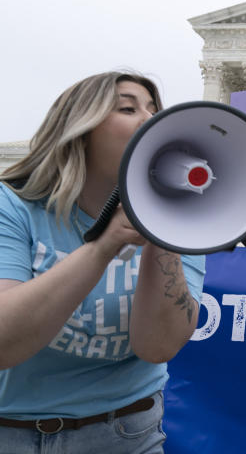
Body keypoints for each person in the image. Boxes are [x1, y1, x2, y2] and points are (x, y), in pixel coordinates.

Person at [0, 72, 205, 454]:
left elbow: (158, 346)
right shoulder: (12, 207)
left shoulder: (188, 219)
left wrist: (164, 231)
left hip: (128, 434)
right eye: (128, 108)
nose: (150, 119)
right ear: (80, 129)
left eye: (154, 109)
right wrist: (103, 246)